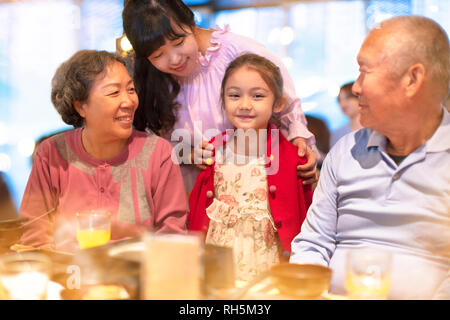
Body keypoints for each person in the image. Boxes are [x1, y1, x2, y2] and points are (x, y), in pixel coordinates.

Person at [290, 16, 450, 299]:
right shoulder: (345, 151)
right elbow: (314, 244)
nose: (356, 87)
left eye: (365, 71)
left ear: (412, 79)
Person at [122, 0, 318, 193]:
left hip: (260, 181)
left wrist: (298, 140)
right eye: (158, 55)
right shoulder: (151, 79)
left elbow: (286, 105)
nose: (174, 59)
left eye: (179, 42)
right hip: (198, 188)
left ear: (192, 24)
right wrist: (189, 154)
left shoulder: (238, 52)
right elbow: (156, 143)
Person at [20, 50, 188, 252]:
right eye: (114, 93)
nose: (128, 102)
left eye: (131, 89)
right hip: (70, 276)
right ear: (81, 107)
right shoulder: (51, 155)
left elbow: (173, 235)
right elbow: (34, 237)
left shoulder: (158, 153)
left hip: (138, 275)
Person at [188, 54, 313, 281]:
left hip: (269, 264)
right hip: (218, 260)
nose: (244, 105)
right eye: (234, 95)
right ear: (223, 99)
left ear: (278, 102)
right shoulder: (211, 151)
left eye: (257, 96)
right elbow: (197, 207)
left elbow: (307, 214)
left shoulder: (293, 158)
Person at [330, 81, 362, 147]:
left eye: (348, 98)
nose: (342, 104)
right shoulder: (337, 134)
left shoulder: (377, 128)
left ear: (360, 97)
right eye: (339, 100)